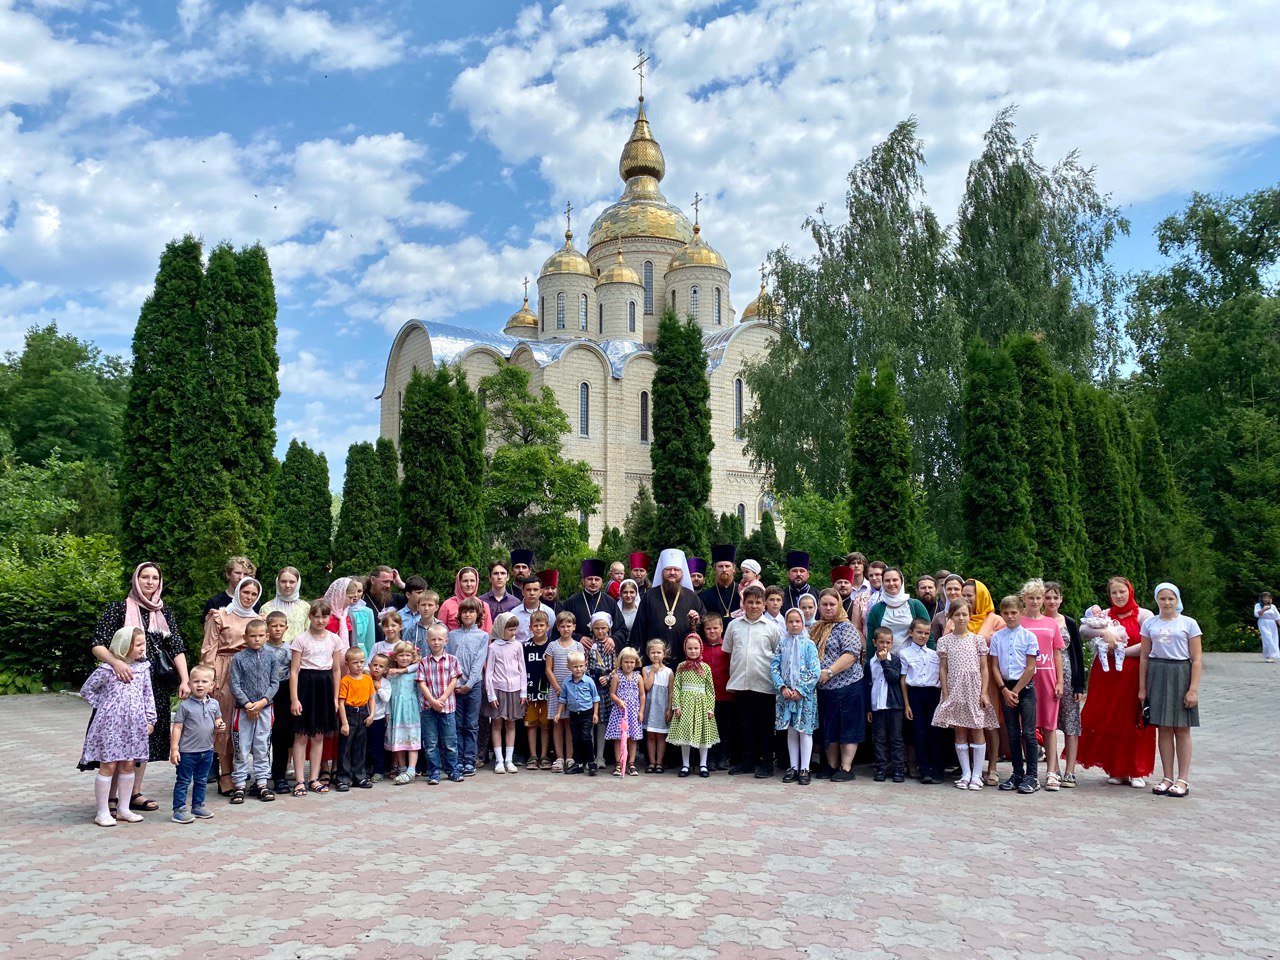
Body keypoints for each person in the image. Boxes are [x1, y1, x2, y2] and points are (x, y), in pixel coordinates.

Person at [88, 561, 189, 817]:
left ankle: (133, 794)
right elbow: (98, 644)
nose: (150, 582)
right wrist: (116, 663)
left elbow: (176, 647)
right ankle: (110, 799)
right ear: (136, 579)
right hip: (120, 686)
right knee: (115, 743)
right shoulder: (119, 608)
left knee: (143, 741)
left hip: (152, 685)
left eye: (155, 578)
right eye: (145, 577)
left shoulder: (163, 612)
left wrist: (185, 679)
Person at [1077, 577, 1157, 788]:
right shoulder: (1105, 614)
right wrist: (1103, 632)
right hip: (1107, 676)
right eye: (1114, 593)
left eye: (1122, 591)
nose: (1118, 596)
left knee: (1133, 719)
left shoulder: (1144, 615)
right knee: (1111, 719)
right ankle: (1116, 768)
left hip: (1132, 674)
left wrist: (1121, 650)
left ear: (1130, 591)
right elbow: (1083, 631)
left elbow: (1148, 645)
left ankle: (1136, 769)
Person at [81, 627, 155, 827]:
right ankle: (103, 810)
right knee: (109, 764)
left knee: (128, 763)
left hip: (134, 726)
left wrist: (150, 719)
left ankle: (123, 808)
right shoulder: (107, 669)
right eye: (138, 645)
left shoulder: (143, 669)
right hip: (110, 726)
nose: (142, 648)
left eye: (143, 644)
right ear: (124, 647)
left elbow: (148, 695)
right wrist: (105, 706)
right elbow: (87, 690)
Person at [201, 576, 263, 795]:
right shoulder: (220, 615)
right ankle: (225, 775)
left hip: (251, 671)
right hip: (225, 669)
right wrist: (210, 678)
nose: (249, 597)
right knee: (226, 722)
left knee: (248, 724)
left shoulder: (258, 619)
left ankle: (245, 773)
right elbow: (209, 648)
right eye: (246, 592)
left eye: (254, 594)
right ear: (238, 592)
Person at [1140, 583, 1202, 798]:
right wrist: (1142, 688)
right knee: (1163, 728)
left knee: (1182, 728)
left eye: (1171, 599)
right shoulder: (1149, 624)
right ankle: (1167, 777)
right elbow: (1144, 656)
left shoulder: (1189, 623)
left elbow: (1196, 659)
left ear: (1177, 600)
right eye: (1163, 598)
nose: (1167, 603)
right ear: (1156, 600)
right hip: (1157, 673)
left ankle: (1182, 779)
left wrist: (1192, 689)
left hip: (1180, 673)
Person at [932, 599, 999, 791]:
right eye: (957, 615)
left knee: (977, 729)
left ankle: (977, 775)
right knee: (960, 731)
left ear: (970, 616)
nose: (961, 618)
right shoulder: (944, 641)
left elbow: (984, 669)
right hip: (954, 690)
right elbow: (943, 670)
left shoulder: (977, 640)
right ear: (950, 617)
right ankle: (966, 773)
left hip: (974, 690)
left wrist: (984, 692)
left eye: (964, 614)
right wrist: (945, 693)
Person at [724, 583, 783, 778]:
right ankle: (747, 761)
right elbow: (729, 651)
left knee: (765, 726)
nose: (754, 606)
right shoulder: (733, 626)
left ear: (764, 605)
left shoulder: (772, 628)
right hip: (741, 682)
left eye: (758, 602)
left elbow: (777, 654)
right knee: (745, 724)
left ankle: (766, 763)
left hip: (764, 684)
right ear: (744, 603)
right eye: (750, 602)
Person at [288, 600, 344, 797]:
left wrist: (336, 698)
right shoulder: (300, 640)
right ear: (310, 617)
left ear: (329, 618)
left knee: (319, 734)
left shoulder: (334, 640)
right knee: (302, 734)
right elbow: (294, 671)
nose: (320, 620)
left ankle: (314, 778)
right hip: (305, 685)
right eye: (316, 616)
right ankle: (299, 780)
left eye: (324, 616)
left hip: (325, 686)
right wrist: (294, 699)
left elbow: (336, 670)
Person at [988, 596, 1040, 794]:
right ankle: (1017, 773)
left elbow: (1030, 667)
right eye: (1006, 613)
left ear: (1021, 613)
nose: (1009, 617)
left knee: (1028, 732)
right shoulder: (997, 637)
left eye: (1014, 613)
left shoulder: (1028, 637)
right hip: (1005, 687)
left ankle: (1032, 776)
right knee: (1011, 733)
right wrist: (1004, 690)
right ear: (1002, 614)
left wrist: (1016, 691)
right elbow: (994, 665)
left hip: (1024, 689)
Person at [812, 589, 864, 782]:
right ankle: (831, 766)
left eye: (832, 604)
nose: (828, 608)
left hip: (848, 686)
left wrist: (829, 672)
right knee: (830, 729)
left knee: (847, 728)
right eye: (824, 604)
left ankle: (846, 767)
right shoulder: (817, 627)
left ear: (839, 605)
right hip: (825, 689)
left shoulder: (847, 627)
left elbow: (850, 655)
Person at [1020, 579, 1066, 791]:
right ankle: (1030, 772)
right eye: (1031, 598)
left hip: (1047, 677)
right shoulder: (1018, 621)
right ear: (1024, 599)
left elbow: (1057, 652)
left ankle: (1052, 772)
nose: (1036, 601)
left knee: (1049, 726)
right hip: (1025, 678)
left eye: (1039, 598)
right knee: (1027, 727)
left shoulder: (1050, 623)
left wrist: (1060, 681)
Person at [228, 618, 281, 803]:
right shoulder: (238, 658)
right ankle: (240, 785)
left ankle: (262, 783)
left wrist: (263, 702)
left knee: (262, 746)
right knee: (241, 747)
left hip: (265, 709)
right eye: (252, 636)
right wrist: (248, 704)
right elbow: (234, 684)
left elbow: (275, 682)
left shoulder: (272, 657)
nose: (256, 639)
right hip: (243, 711)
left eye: (260, 636)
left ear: (267, 636)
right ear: (245, 637)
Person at [168, 662, 223, 825]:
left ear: (212, 685)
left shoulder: (214, 704)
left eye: (204, 682)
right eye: (196, 681)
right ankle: (179, 809)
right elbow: (177, 728)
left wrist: (220, 724)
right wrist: (174, 749)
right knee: (183, 781)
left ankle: (198, 805)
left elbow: (218, 720)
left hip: (207, 750)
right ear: (189, 684)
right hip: (187, 752)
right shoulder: (185, 706)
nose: (200, 685)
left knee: (202, 779)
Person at [963, 579, 1005, 786]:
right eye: (964, 594)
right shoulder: (959, 618)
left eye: (970, 594)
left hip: (987, 679)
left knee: (989, 723)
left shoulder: (995, 620)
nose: (966, 598)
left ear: (981, 596)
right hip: (963, 680)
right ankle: (971, 768)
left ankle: (993, 767)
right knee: (967, 723)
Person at [770, 609, 819, 785]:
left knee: (804, 731)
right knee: (791, 730)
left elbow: (815, 671)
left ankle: (805, 768)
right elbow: (774, 667)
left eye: (797, 621)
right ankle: (793, 767)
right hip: (786, 695)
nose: (794, 625)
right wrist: (782, 687)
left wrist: (800, 690)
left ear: (803, 623)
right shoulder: (782, 644)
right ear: (786, 624)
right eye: (790, 622)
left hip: (803, 697)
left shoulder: (809, 644)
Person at [1044, 582, 1084, 788]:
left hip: (1067, 676)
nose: (1051, 601)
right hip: (1044, 676)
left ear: (1061, 599)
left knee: (1070, 723)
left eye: (1055, 597)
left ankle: (1070, 770)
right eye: (1047, 597)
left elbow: (1077, 653)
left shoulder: (1068, 622)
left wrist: (1079, 685)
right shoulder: (1038, 621)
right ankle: (1054, 768)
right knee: (1048, 724)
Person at [635, 548, 707, 661]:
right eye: (668, 569)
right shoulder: (649, 596)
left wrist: (697, 621)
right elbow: (639, 629)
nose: (672, 572)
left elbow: (704, 623)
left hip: (684, 660)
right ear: (662, 572)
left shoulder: (691, 596)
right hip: (654, 660)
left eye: (676, 570)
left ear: (682, 572)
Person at [667, 633, 720, 778]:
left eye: (696, 648)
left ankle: (703, 764)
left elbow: (710, 689)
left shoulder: (705, 667)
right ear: (685, 649)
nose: (693, 651)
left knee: (703, 734)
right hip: (685, 705)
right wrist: (676, 705)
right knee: (685, 735)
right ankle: (685, 765)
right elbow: (676, 687)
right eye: (689, 648)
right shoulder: (681, 667)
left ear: (700, 649)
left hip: (702, 705)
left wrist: (710, 707)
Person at [448, 599, 491, 777]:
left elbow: (478, 663)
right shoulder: (452, 635)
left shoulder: (482, 636)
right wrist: (456, 684)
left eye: (471, 612)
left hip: (473, 686)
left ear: (478, 615)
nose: (467, 614)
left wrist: (468, 684)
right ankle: (456, 760)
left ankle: (469, 760)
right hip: (455, 686)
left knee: (471, 725)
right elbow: (450, 660)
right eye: (464, 611)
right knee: (456, 724)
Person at [900, 617, 946, 784]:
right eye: (919, 632)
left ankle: (938, 770)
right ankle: (924, 769)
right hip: (915, 695)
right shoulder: (905, 654)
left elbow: (941, 675)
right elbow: (903, 680)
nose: (923, 636)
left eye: (926, 633)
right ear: (911, 633)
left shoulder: (935, 654)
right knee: (919, 733)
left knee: (935, 732)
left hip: (933, 694)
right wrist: (907, 704)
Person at [417, 623, 463, 785]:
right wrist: (432, 701)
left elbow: (454, 680)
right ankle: (434, 772)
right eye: (433, 639)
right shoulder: (423, 662)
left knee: (450, 741)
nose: (436, 642)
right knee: (430, 743)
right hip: (428, 708)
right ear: (427, 641)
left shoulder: (452, 660)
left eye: (440, 639)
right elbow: (421, 683)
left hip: (447, 707)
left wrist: (442, 699)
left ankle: (453, 770)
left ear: (446, 641)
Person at [484, 613, 527, 775]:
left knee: (511, 723)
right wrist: (491, 695)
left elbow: (522, 670)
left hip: (515, 690)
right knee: (497, 724)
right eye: (510, 629)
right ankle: (499, 760)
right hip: (498, 690)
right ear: (501, 629)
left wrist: (523, 692)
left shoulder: (518, 646)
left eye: (515, 629)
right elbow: (489, 673)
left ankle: (509, 759)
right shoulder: (493, 647)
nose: (513, 633)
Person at [545, 612, 585, 772]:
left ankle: (570, 757)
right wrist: (557, 688)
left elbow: (582, 668)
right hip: (557, 692)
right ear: (558, 628)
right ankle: (559, 758)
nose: (566, 629)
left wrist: (574, 689)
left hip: (573, 692)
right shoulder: (552, 646)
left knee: (570, 724)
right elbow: (548, 669)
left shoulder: (578, 646)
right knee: (557, 723)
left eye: (569, 626)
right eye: (562, 626)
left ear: (574, 627)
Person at [867, 626, 906, 783]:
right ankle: (881, 768)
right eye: (881, 642)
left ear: (892, 643)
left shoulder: (895, 660)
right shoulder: (870, 662)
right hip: (877, 705)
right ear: (874, 642)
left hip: (894, 705)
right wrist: (868, 708)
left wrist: (885, 663)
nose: (884, 646)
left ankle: (898, 770)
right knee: (879, 738)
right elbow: (868, 685)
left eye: (888, 642)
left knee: (896, 738)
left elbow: (893, 678)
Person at [264, 611, 296, 795]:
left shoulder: (290, 650)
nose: (277, 629)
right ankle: (260, 777)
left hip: (284, 692)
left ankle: (279, 776)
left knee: (282, 735)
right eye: (273, 625)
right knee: (262, 737)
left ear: (286, 628)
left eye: (280, 626)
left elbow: (294, 673)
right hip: (265, 693)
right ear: (267, 627)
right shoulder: (261, 648)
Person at [864, 568, 931, 653]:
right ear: (883, 583)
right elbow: (871, 641)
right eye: (887, 580)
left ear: (902, 581)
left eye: (895, 580)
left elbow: (929, 635)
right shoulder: (876, 609)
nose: (891, 583)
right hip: (885, 662)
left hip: (913, 662)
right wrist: (869, 664)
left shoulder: (915, 605)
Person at [555, 652, 600, 775]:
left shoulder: (589, 681)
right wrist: (558, 713)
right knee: (575, 739)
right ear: (569, 667)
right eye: (575, 666)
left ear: (585, 665)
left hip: (587, 713)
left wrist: (595, 714)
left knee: (586, 737)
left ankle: (591, 762)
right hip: (574, 715)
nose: (578, 669)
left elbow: (595, 698)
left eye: (581, 666)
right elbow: (562, 699)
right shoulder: (566, 682)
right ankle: (578, 763)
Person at [336, 647, 374, 791]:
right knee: (345, 746)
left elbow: (371, 699)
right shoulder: (345, 681)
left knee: (360, 746)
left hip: (363, 713)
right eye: (355, 662)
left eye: (362, 662)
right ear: (347, 663)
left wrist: (371, 715)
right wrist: (344, 722)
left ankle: (360, 776)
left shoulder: (367, 679)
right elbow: (341, 702)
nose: (359, 665)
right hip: (350, 713)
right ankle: (343, 778)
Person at [384, 641, 422, 784]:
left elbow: (420, 664)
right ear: (395, 657)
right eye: (401, 655)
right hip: (396, 712)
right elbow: (387, 697)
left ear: (412, 657)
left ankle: (411, 769)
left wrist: (402, 670)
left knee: (412, 740)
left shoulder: (415, 672)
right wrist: (387, 712)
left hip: (411, 711)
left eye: (408, 655)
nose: (404, 658)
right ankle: (401, 768)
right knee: (398, 740)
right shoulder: (390, 675)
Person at [700, 612, 735, 770]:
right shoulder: (700, 648)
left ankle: (724, 757)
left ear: (722, 628)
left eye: (715, 628)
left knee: (725, 727)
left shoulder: (727, 648)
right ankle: (710, 758)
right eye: (708, 629)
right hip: (706, 697)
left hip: (726, 694)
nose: (712, 631)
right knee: (709, 728)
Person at [606, 647, 646, 776]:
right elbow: (612, 693)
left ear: (636, 663)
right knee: (618, 738)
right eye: (626, 662)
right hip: (620, 713)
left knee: (632, 738)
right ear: (620, 662)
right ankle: (618, 763)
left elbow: (642, 695)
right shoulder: (617, 677)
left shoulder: (638, 677)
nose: (629, 665)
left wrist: (641, 712)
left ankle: (631, 763)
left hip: (633, 712)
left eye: (632, 662)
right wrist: (619, 701)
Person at [585, 613, 616, 769]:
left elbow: (617, 667)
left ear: (609, 628)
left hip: (604, 690)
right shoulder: (589, 645)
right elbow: (584, 664)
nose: (600, 631)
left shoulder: (612, 646)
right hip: (590, 688)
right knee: (590, 721)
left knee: (602, 722)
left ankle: (600, 756)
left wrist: (608, 677)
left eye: (603, 628)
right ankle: (589, 756)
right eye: (597, 628)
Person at [523, 610, 553, 770]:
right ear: (530, 627)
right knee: (531, 724)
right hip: (530, 691)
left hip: (548, 692)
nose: (539, 628)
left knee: (545, 725)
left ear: (547, 626)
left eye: (542, 625)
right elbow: (521, 670)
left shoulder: (552, 645)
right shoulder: (525, 646)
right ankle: (533, 756)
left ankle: (544, 755)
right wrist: (523, 691)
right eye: (536, 625)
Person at [564, 559, 620, 643]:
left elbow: (621, 629)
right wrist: (578, 638)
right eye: (590, 579)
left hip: (604, 650)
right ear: (583, 581)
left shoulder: (610, 602)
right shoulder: (571, 602)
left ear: (602, 582)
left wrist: (613, 639)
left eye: (597, 579)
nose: (593, 582)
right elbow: (562, 626)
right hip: (577, 651)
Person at [642, 639, 674, 772]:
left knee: (661, 736)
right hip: (650, 707)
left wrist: (669, 709)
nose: (656, 655)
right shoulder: (646, 669)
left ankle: (659, 762)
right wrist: (653, 672)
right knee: (650, 735)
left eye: (658, 652)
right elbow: (647, 687)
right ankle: (652, 762)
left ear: (664, 654)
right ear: (648, 654)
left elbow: (671, 692)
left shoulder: (669, 672)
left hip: (662, 707)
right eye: (653, 652)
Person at [439, 567, 494, 633]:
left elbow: (488, 632)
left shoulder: (483, 606)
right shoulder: (447, 605)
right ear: (459, 583)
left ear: (477, 582)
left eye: (472, 581)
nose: (469, 584)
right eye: (465, 581)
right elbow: (439, 631)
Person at [261, 567, 309, 642]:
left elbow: (308, 634)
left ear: (298, 583)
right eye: (283, 581)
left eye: (292, 582)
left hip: (298, 652)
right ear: (278, 582)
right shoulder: (266, 608)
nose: (287, 585)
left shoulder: (305, 607)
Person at [366, 653, 391, 782]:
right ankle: (365, 769)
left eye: (381, 666)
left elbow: (386, 699)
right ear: (370, 666)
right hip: (365, 717)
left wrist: (379, 688)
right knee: (365, 745)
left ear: (385, 669)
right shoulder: (365, 679)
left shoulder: (386, 683)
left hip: (379, 718)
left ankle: (378, 771)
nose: (377, 668)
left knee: (377, 745)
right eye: (375, 665)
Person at [512, 574, 555, 644]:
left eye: (535, 590)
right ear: (523, 592)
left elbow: (551, 634)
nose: (532, 593)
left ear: (541, 592)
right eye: (528, 590)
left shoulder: (549, 612)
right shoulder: (514, 613)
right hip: (521, 652)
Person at [701, 544, 740, 619]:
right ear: (715, 569)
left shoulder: (742, 592)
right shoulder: (706, 596)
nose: (724, 570)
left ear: (734, 568)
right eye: (720, 566)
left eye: (727, 566)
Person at [929, 575, 966, 643]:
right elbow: (934, 642)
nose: (952, 592)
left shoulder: (972, 613)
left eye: (956, 589)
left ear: (962, 590)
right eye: (949, 589)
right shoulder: (939, 617)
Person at [613, 579, 642, 649]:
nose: (628, 595)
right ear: (620, 593)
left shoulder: (641, 611)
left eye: (632, 592)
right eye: (625, 592)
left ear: (636, 593)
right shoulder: (615, 612)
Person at [1256, 592, 1280, 662]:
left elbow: (1277, 617)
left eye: (1267, 598)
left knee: (1273, 638)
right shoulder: (1258, 605)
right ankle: (1270, 654)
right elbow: (1257, 615)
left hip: (1272, 624)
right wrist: (1264, 609)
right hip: (1263, 623)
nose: (1266, 599)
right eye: (1264, 597)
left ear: (1270, 599)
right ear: (1261, 598)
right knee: (1268, 638)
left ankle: (1269, 656)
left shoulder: (1273, 606)